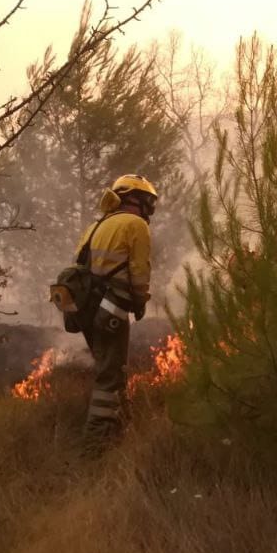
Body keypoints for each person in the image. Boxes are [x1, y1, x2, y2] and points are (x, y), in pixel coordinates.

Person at [75, 174, 157, 446]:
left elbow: (79, 266)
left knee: (111, 369)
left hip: (86, 311)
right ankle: (95, 444)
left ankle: (122, 429)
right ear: (135, 199)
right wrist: (141, 301)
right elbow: (139, 270)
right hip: (111, 310)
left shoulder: (96, 226)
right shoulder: (135, 224)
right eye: (147, 201)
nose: (149, 208)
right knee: (109, 377)